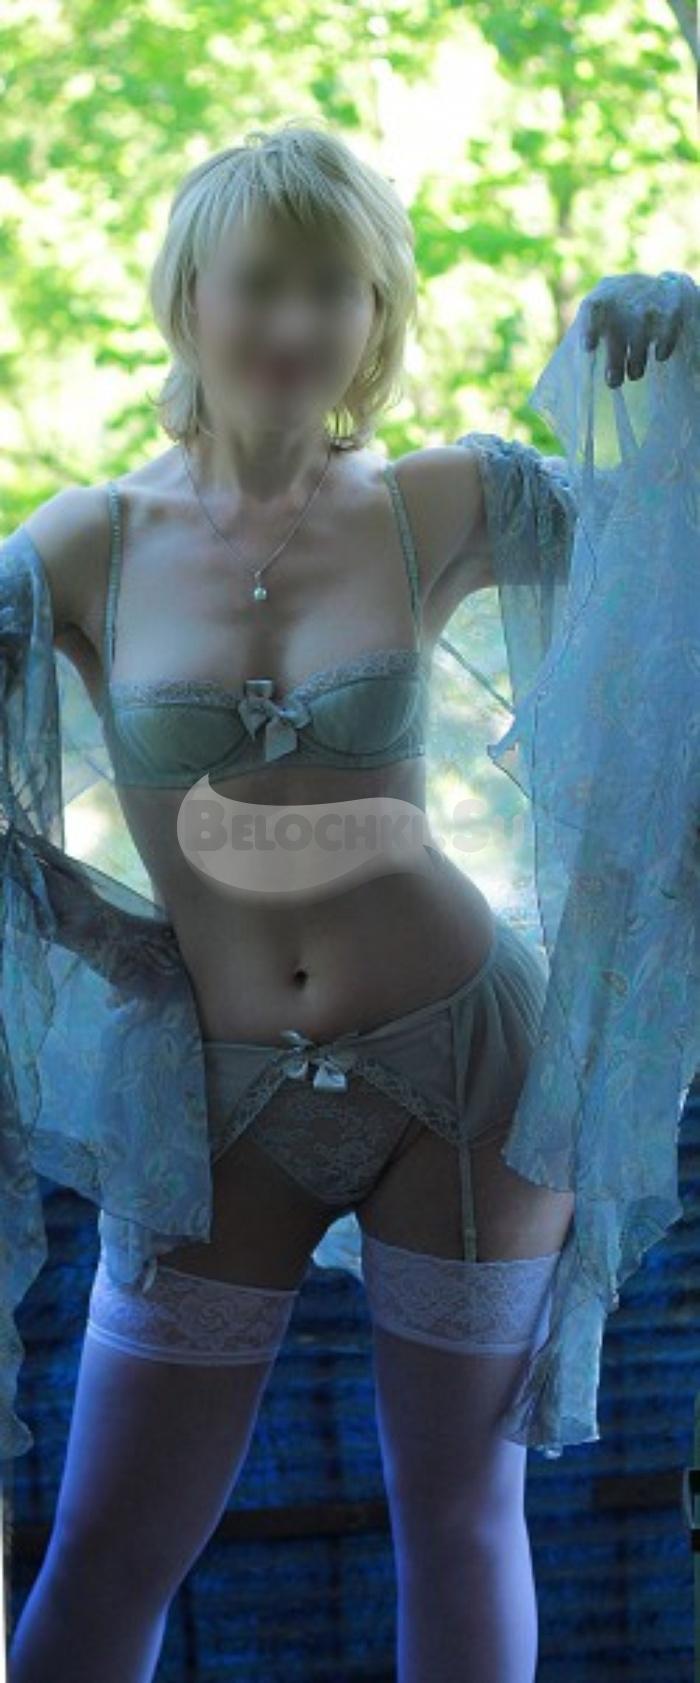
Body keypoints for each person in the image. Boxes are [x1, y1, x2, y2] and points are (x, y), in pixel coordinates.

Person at [3, 121, 698, 1683]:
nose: (299, 322)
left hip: (469, 1072)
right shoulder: (84, 542)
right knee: (108, 1548)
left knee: (460, 1520)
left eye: (339, 288)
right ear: (189, 296)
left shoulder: (440, 501)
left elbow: (676, 568)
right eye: (263, 282)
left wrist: (667, 363)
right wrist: (107, 940)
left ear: (379, 312)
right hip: (216, 1093)